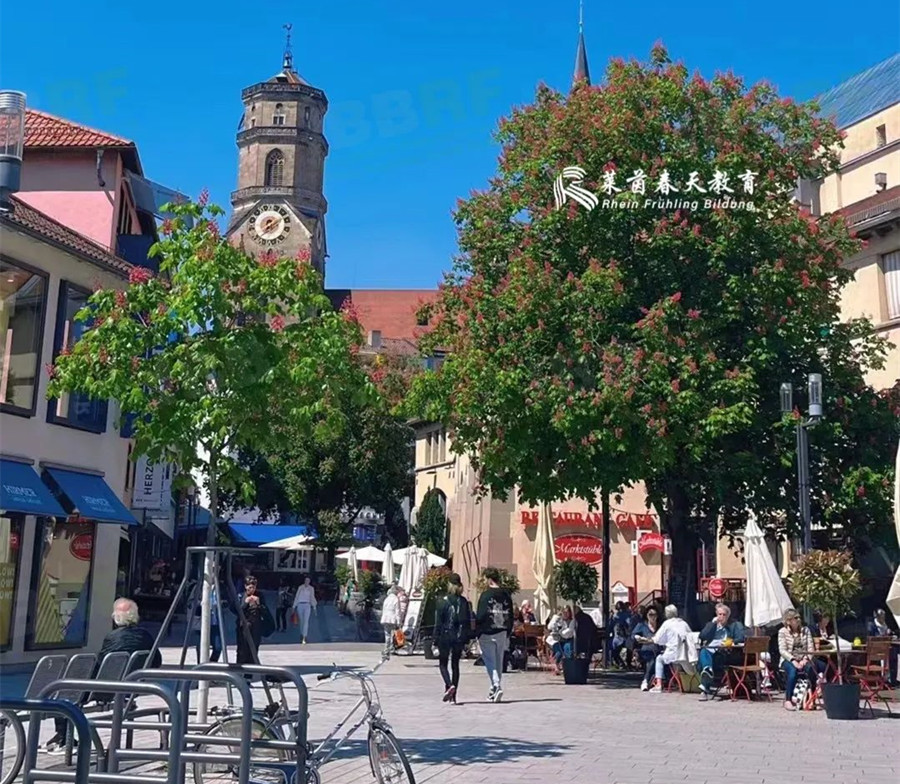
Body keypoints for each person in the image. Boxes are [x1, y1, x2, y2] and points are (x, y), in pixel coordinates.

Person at [45, 599, 162, 754]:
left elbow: (101, 664)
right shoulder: (145, 636)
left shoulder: (113, 637)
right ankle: (64, 739)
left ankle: (63, 738)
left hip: (104, 689)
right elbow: (157, 661)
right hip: (131, 687)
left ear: (115, 617)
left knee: (61, 690)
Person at [475, 567, 513, 702]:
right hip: (502, 630)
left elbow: (480, 615)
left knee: (490, 661)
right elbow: (511, 613)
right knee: (498, 661)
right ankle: (493, 689)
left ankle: (496, 686)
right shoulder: (506, 595)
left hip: (487, 632)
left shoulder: (486, 595)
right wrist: (508, 630)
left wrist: (477, 631)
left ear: (489, 579)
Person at [434, 573, 473, 703]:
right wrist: (466, 640)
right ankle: (453, 695)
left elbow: (438, 623)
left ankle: (449, 685)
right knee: (455, 665)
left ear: (449, 585)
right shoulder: (464, 602)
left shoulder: (442, 602)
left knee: (443, 664)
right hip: (459, 636)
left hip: (445, 635)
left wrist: (435, 640)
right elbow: (467, 621)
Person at [778, 608, 825, 711]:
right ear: (788, 620)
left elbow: (810, 648)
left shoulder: (805, 630)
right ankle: (788, 700)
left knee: (813, 668)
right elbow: (782, 650)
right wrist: (793, 660)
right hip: (789, 659)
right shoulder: (782, 632)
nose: (798, 619)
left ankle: (812, 697)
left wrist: (805, 659)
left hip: (804, 657)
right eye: (795, 618)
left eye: (799, 617)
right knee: (793, 671)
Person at [697, 603, 746, 694]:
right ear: (716, 615)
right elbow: (702, 636)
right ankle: (707, 670)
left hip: (725, 653)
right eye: (720, 614)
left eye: (724, 615)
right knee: (704, 651)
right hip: (711, 650)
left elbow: (741, 637)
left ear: (728, 616)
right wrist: (712, 624)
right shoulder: (712, 625)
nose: (722, 617)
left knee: (705, 657)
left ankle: (706, 681)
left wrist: (731, 641)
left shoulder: (735, 624)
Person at [649, 605, 696, 693]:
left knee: (659, 659)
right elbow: (691, 636)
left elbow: (658, 639)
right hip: (686, 654)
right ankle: (678, 682)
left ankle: (659, 684)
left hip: (673, 653)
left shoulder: (667, 623)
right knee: (675, 661)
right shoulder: (683, 623)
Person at [236, 576, 273, 665]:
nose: (252, 589)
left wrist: (259, 604)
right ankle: (240, 669)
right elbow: (237, 610)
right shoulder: (240, 596)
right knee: (242, 649)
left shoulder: (260, 596)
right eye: (250, 587)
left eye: (253, 587)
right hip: (244, 627)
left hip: (256, 626)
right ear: (245, 586)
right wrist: (245, 603)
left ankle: (249, 673)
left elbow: (265, 611)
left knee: (254, 648)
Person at [631, 606, 661, 691]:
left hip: (658, 649)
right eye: (650, 614)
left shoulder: (660, 626)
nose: (653, 617)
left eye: (655, 614)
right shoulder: (642, 625)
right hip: (645, 650)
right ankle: (646, 680)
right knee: (651, 659)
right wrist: (639, 638)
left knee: (656, 658)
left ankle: (648, 680)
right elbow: (633, 636)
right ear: (646, 615)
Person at [868, 608, 899, 686]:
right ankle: (884, 679)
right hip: (877, 649)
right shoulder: (872, 625)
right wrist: (883, 636)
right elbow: (873, 637)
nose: (883, 618)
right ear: (878, 617)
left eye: (884, 616)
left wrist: (889, 633)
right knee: (887, 657)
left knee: (894, 654)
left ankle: (892, 679)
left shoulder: (884, 623)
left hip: (886, 646)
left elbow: (887, 633)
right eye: (882, 616)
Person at [545, 607, 576, 675]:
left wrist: (560, 632)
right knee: (558, 650)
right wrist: (555, 618)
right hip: (555, 639)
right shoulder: (558, 619)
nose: (565, 614)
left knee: (567, 650)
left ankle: (567, 667)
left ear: (570, 613)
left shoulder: (571, 621)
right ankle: (557, 666)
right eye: (563, 612)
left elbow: (568, 633)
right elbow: (549, 627)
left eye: (567, 612)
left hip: (566, 639)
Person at [292, 576, 317, 644]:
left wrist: (314, 607)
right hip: (300, 604)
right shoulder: (300, 587)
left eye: (308, 581)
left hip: (307, 605)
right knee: (302, 621)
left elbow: (312, 597)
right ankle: (301, 633)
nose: (307, 582)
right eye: (306, 580)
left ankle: (304, 637)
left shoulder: (311, 588)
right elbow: (297, 596)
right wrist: (294, 606)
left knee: (306, 621)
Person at [381, 583, 403, 655]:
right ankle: (392, 648)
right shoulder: (396, 599)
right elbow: (398, 611)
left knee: (387, 634)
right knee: (394, 634)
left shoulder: (386, 599)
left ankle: (387, 648)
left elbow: (383, 609)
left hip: (385, 618)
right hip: (393, 619)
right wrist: (399, 622)